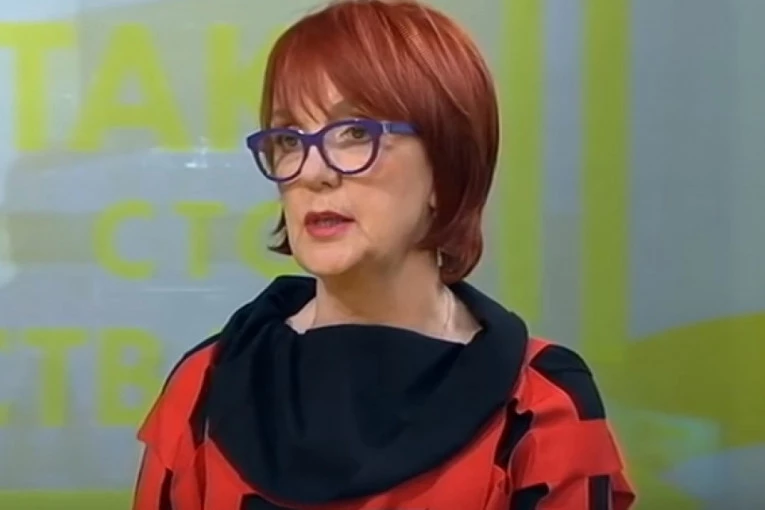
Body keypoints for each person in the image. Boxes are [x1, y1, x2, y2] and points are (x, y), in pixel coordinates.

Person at [132, 1, 636, 509]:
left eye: (356, 132)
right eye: (289, 138)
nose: (312, 172)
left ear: (446, 166)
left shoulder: (538, 407)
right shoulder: (207, 386)